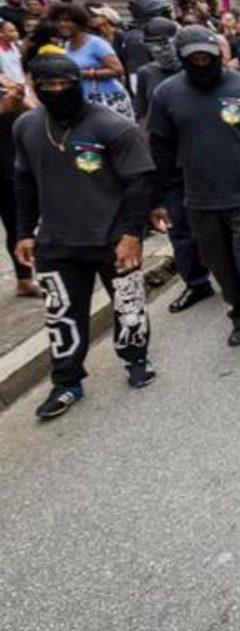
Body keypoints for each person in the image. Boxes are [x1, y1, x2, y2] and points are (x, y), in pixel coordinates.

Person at [13, 55, 157, 420]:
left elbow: (139, 183)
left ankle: (136, 359)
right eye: (48, 86)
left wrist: (132, 234)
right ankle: (66, 382)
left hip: (112, 237)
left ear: (78, 83)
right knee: (61, 314)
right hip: (55, 241)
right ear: (35, 88)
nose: (57, 91)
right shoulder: (26, 126)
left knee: (128, 303)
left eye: (65, 84)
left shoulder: (113, 126)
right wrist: (24, 232)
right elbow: (24, 182)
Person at [147, 26, 240, 360]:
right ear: (181, 58)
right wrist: (160, 197)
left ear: (219, 55)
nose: (201, 63)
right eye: (193, 58)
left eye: (206, 57)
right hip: (200, 199)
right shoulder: (166, 94)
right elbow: (160, 148)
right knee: (221, 266)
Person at [131, 16, 216, 314]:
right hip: (169, 164)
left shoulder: (199, 65)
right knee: (179, 228)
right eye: (154, 44)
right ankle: (196, 282)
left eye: (165, 42)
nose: (161, 49)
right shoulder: (147, 74)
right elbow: (143, 118)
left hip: (205, 161)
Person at [53, 2, 132, 120]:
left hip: (107, 98)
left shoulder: (96, 43)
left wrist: (84, 74)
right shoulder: (67, 45)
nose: (62, 24)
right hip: (83, 100)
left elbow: (118, 70)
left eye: (67, 20)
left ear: (79, 22)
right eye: (58, 21)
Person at [0, 73, 37, 297]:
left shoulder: (6, 84)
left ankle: (24, 279)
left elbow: (36, 112)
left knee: (17, 223)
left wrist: (20, 96)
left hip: (11, 166)